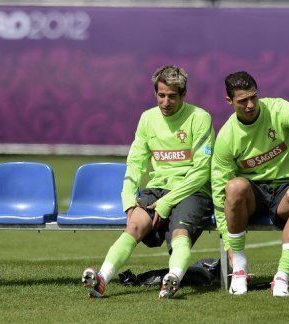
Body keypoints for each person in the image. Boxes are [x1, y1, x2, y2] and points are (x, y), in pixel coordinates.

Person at [82, 65, 215, 299]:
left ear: (184, 95)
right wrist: (128, 202)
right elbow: (135, 163)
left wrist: (166, 202)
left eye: (172, 96)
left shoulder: (200, 118)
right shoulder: (147, 118)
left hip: (192, 190)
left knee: (180, 234)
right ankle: (102, 279)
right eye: (161, 95)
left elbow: (201, 171)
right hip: (157, 189)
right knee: (134, 225)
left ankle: (172, 278)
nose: (166, 102)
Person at [211, 71, 289, 297]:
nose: (250, 105)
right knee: (234, 187)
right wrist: (229, 246)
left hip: (288, 187)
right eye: (242, 101)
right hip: (253, 197)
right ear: (229, 101)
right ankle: (239, 268)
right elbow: (219, 193)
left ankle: (282, 277)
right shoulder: (226, 137)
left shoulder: (280, 109)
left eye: (253, 97)